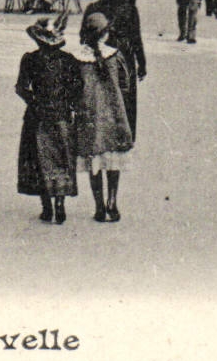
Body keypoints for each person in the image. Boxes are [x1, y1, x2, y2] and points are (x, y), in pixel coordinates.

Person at [16, 16, 82, 224]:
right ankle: (60, 202)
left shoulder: (30, 59)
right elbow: (78, 88)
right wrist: (68, 104)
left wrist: (34, 101)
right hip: (62, 115)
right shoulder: (69, 60)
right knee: (61, 157)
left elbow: (21, 88)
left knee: (38, 159)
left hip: (37, 116)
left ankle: (46, 207)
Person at [74, 12, 135, 223]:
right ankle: (112, 202)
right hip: (113, 115)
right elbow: (126, 84)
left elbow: (73, 89)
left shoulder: (78, 59)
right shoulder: (115, 55)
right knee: (113, 159)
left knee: (94, 163)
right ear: (104, 34)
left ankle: (99, 207)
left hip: (89, 117)